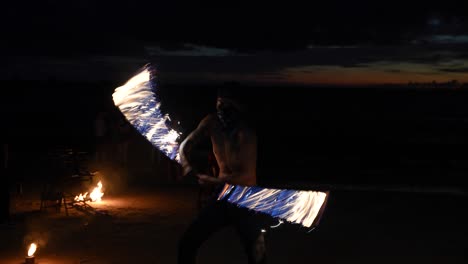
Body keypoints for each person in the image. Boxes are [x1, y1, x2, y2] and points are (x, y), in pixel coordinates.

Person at [178, 86, 270, 264]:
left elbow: (246, 177)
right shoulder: (211, 123)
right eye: (219, 105)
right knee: (188, 242)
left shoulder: (246, 133)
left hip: (245, 199)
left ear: (238, 109)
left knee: (256, 254)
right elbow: (185, 146)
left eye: (227, 107)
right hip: (222, 196)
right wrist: (186, 166)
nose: (222, 112)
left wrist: (211, 180)